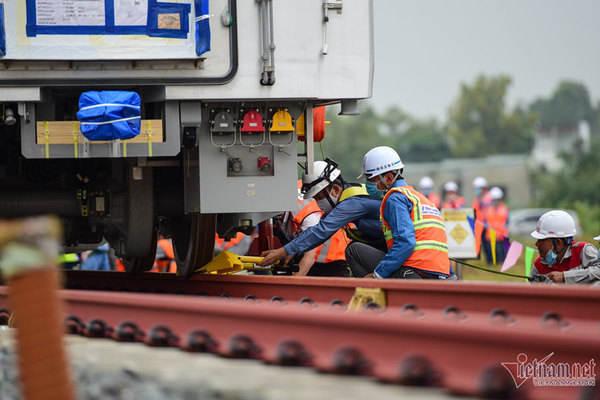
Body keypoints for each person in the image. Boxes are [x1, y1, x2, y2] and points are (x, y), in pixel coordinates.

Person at [259, 158, 385, 273]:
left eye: (320, 197)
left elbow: (321, 231)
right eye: (315, 198)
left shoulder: (352, 203)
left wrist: (282, 252)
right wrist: (292, 250)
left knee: (353, 250)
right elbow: (316, 230)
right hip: (385, 247)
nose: (318, 203)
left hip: (392, 251)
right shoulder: (346, 198)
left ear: (335, 189)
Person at [346, 146, 453, 280]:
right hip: (440, 274)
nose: (368, 184)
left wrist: (377, 275)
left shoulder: (395, 198)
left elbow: (405, 242)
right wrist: (451, 276)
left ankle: (371, 293)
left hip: (413, 273)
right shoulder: (421, 199)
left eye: (371, 179)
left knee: (353, 250)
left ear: (389, 178)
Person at [276, 189, 347, 276]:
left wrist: (292, 285)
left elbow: (310, 256)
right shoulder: (288, 196)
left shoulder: (308, 215)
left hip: (332, 260)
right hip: (305, 256)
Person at [529, 210, 600, 284]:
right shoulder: (539, 265)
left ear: (558, 243)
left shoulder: (582, 250)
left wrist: (565, 277)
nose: (537, 244)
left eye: (542, 240)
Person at [483, 187, 509, 263]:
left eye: (497, 199)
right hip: (491, 237)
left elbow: (507, 222)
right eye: (494, 200)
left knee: (502, 259)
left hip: (502, 237)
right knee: (492, 260)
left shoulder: (504, 208)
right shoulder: (488, 209)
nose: (496, 201)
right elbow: (485, 222)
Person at [472, 176, 493, 263]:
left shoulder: (489, 197)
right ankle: (488, 262)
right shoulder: (477, 199)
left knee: (490, 246)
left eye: (478, 188)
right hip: (480, 226)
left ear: (483, 188)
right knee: (484, 246)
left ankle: (492, 262)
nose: (476, 190)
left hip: (489, 226)